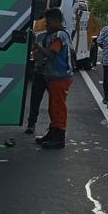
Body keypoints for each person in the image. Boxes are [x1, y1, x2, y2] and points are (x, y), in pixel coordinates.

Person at [31, 8, 74, 149]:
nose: (46, 25)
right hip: (55, 77)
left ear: (56, 21)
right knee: (53, 107)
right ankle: (53, 133)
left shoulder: (60, 35)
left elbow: (51, 54)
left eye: (48, 22)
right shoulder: (53, 34)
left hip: (60, 77)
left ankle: (59, 137)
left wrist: (36, 45)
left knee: (58, 108)